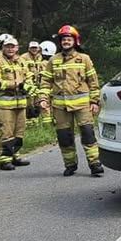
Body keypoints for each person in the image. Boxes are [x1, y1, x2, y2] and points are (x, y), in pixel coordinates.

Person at [38, 25, 103, 177]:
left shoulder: (84, 59)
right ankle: (70, 165)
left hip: (82, 105)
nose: (66, 42)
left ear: (75, 41)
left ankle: (94, 164)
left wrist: (94, 102)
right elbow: (46, 82)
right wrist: (42, 98)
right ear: (60, 42)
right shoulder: (53, 61)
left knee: (88, 134)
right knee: (64, 137)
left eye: (69, 39)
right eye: (64, 39)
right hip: (60, 107)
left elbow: (93, 82)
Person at [0, 35, 33, 170]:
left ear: (17, 48)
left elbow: (29, 76)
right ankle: (4, 160)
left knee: (19, 131)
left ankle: (15, 156)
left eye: (13, 46)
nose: (10, 49)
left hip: (21, 103)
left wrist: (28, 85)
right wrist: (16, 85)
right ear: (3, 47)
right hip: (4, 105)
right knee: (5, 132)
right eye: (7, 46)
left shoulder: (21, 61)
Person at [20, 42, 43, 127]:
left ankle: (35, 123)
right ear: (29, 48)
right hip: (28, 84)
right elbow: (22, 71)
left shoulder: (39, 57)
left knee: (37, 103)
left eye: (35, 48)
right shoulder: (23, 57)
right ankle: (28, 123)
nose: (34, 49)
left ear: (38, 48)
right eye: (32, 48)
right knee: (29, 104)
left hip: (37, 84)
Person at [37, 41, 57, 126]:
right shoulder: (55, 61)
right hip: (55, 89)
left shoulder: (43, 63)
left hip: (46, 89)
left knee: (45, 108)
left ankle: (48, 127)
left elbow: (42, 77)